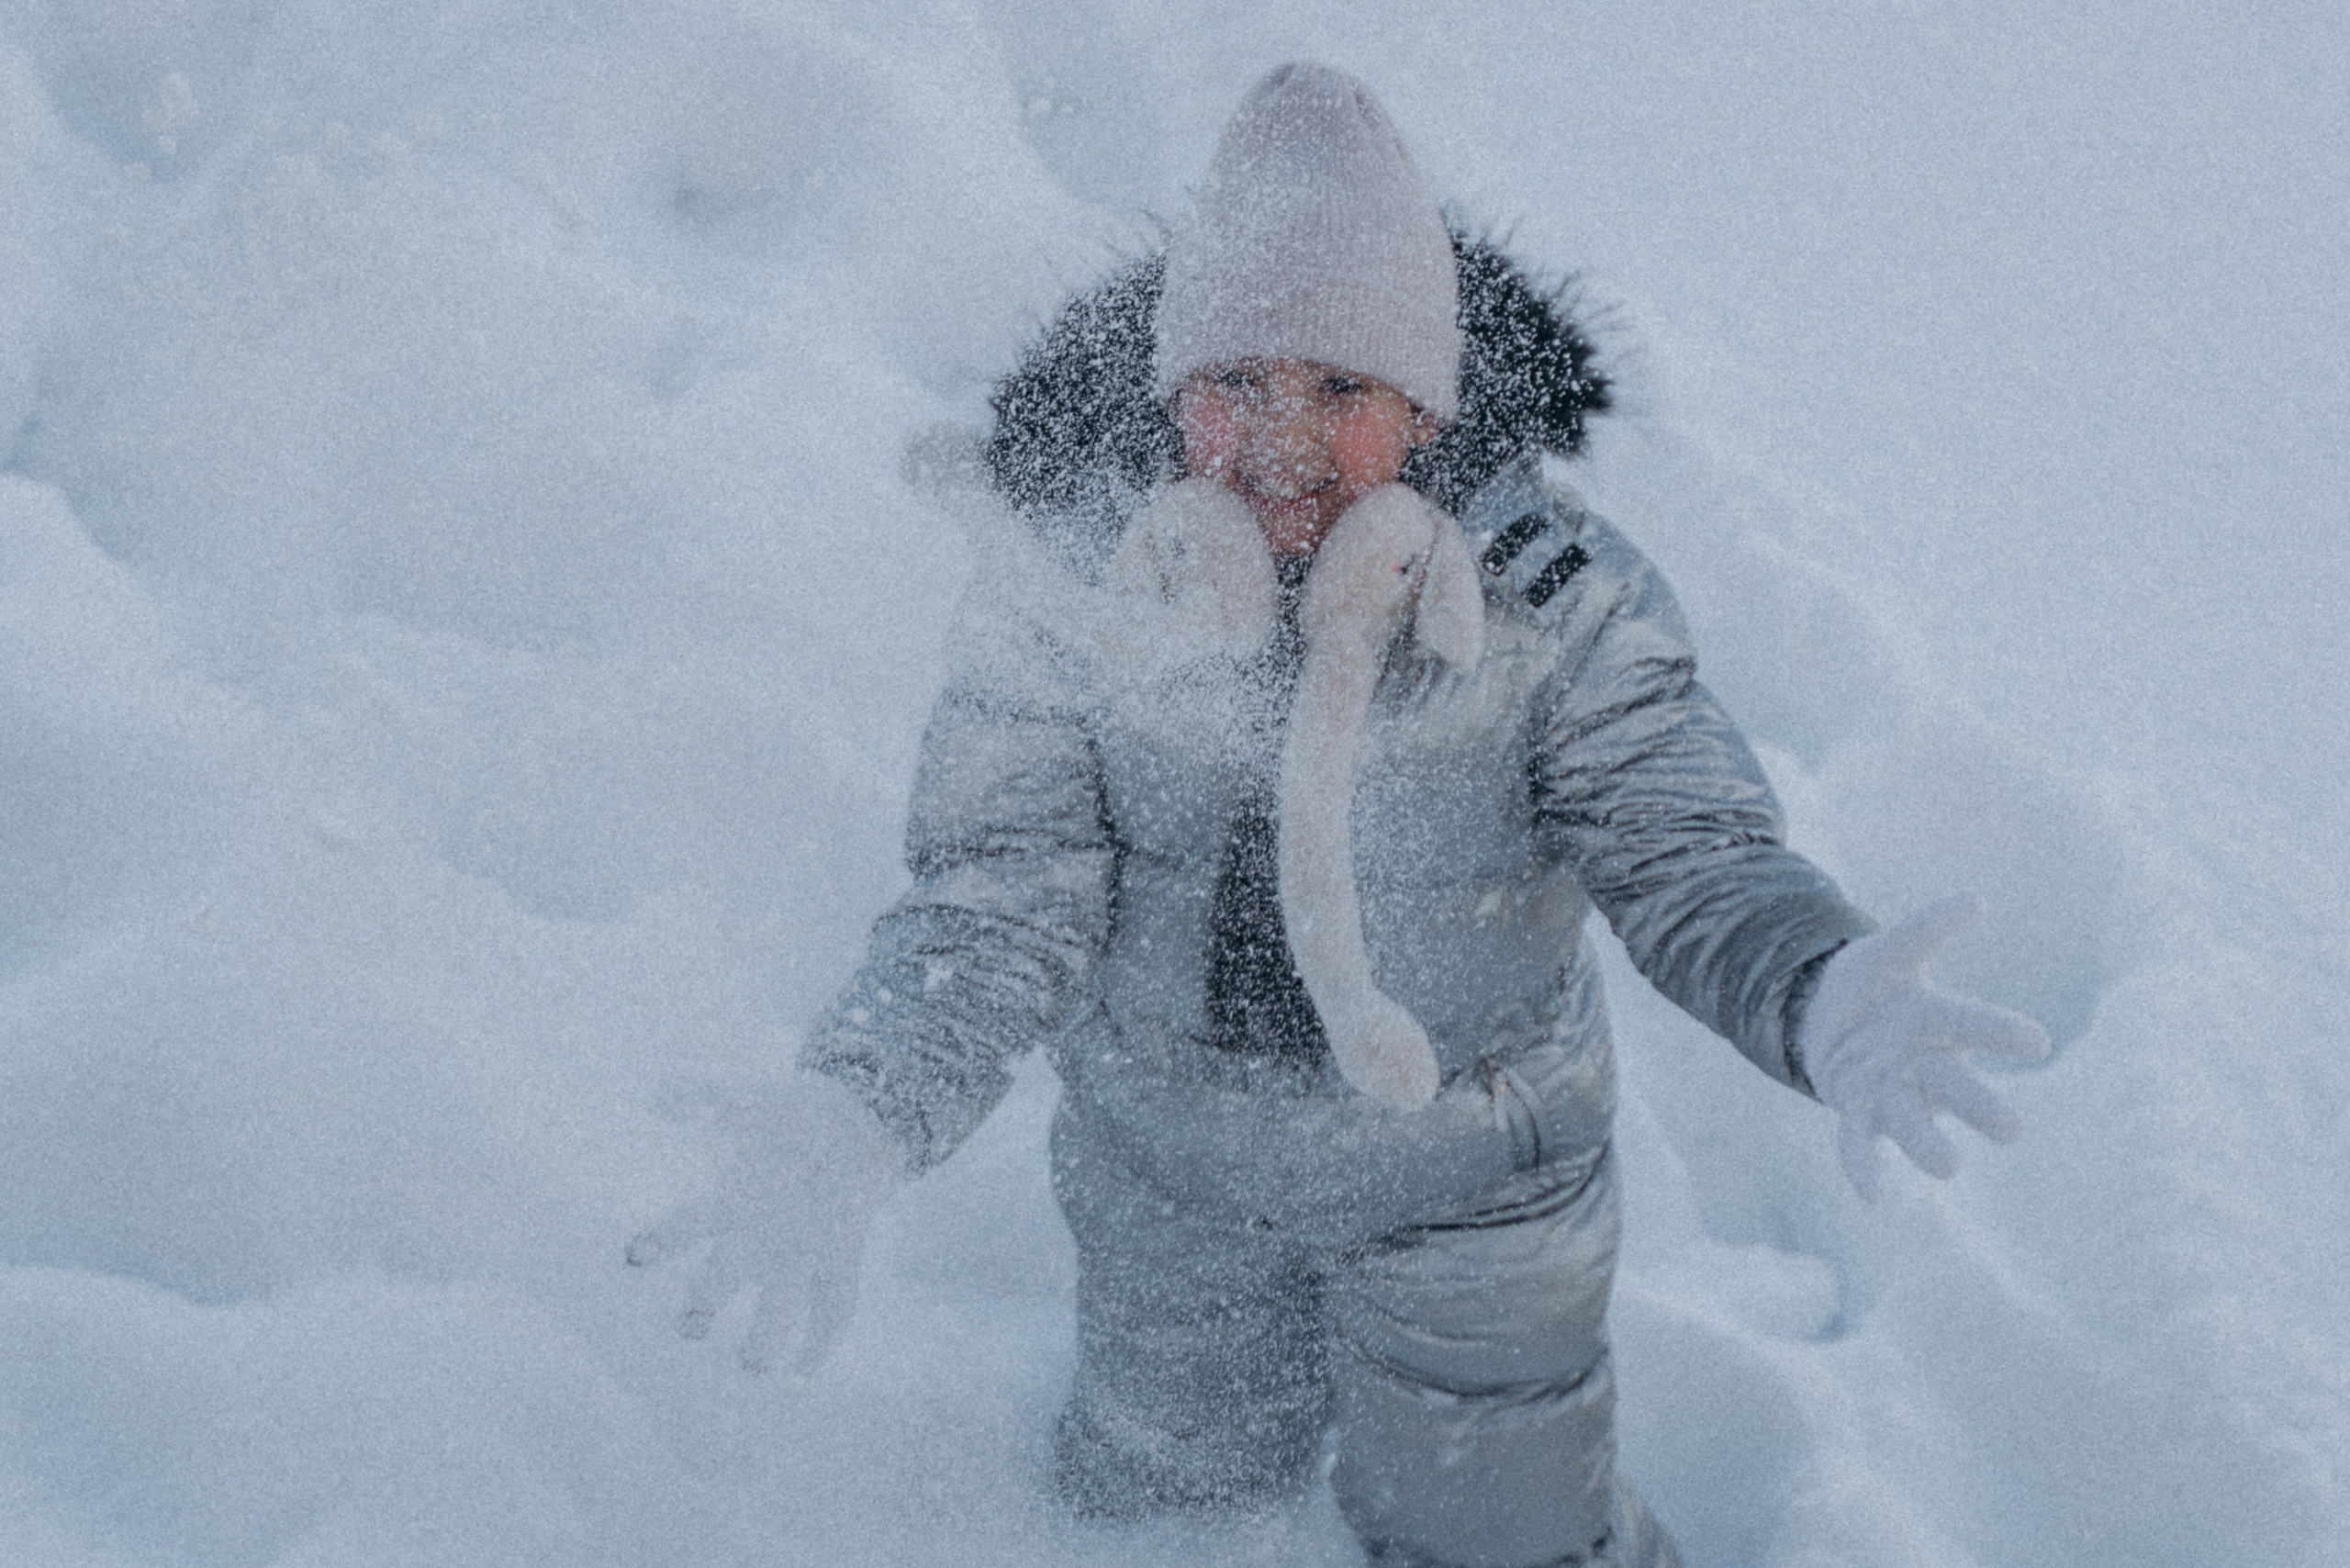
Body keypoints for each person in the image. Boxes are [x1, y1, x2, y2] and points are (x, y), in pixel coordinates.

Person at [628, 62, 2050, 1568]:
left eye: (1342, 391)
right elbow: (996, 897)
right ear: (1170, 394)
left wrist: (1809, 981)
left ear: (1426, 408)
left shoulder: (1547, 604)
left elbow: (1682, 840)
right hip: (1167, 1182)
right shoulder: (1072, 591)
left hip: (1476, 1188)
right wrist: (862, 1103)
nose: (1282, 441)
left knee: (1508, 1533)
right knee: (1166, 1514)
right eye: (1234, 384)